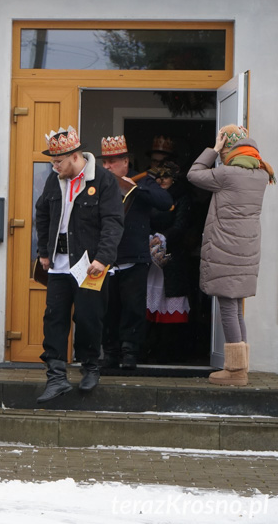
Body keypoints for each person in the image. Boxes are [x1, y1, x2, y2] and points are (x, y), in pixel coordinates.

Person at [34, 127, 123, 402]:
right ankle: (56, 376)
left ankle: (90, 367)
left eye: (58, 161)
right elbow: (43, 212)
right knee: (54, 318)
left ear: (74, 157)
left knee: (88, 317)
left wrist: (103, 257)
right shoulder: (54, 180)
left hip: (90, 265)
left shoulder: (104, 181)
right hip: (59, 264)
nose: (53, 165)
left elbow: (113, 222)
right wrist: (43, 252)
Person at [187, 125, 273, 386]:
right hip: (245, 252)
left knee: (228, 308)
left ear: (229, 149)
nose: (221, 155)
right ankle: (241, 369)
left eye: (223, 150)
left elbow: (193, 174)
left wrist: (211, 150)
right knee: (235, 309)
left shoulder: (227, 174)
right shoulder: (260, 174)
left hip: (226, 250)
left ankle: (235, 372)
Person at [99, 135, 173, 369]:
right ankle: (109, 355)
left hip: (134, 259)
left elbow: (165, 201)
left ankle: (130, 356)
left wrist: (134, 188)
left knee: (133, 310)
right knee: (107, 311)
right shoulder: (97, 185)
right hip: (105, 260)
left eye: (112, 162)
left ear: (125, 163)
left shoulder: (144, 184)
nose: (107, 167)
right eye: (105, 163)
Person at [145, 162, 192, 362]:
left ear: (174, 178)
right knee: (149, 306)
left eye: (166, 176)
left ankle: (171, 354)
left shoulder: (182, 198)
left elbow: (181, 225)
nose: (161, 180)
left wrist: (163, 237)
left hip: (174, 259)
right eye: (158, 176)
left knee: (171, 305)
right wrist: (146, 237)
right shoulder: (149, 197)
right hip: (149, 258)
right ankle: (149, 351)